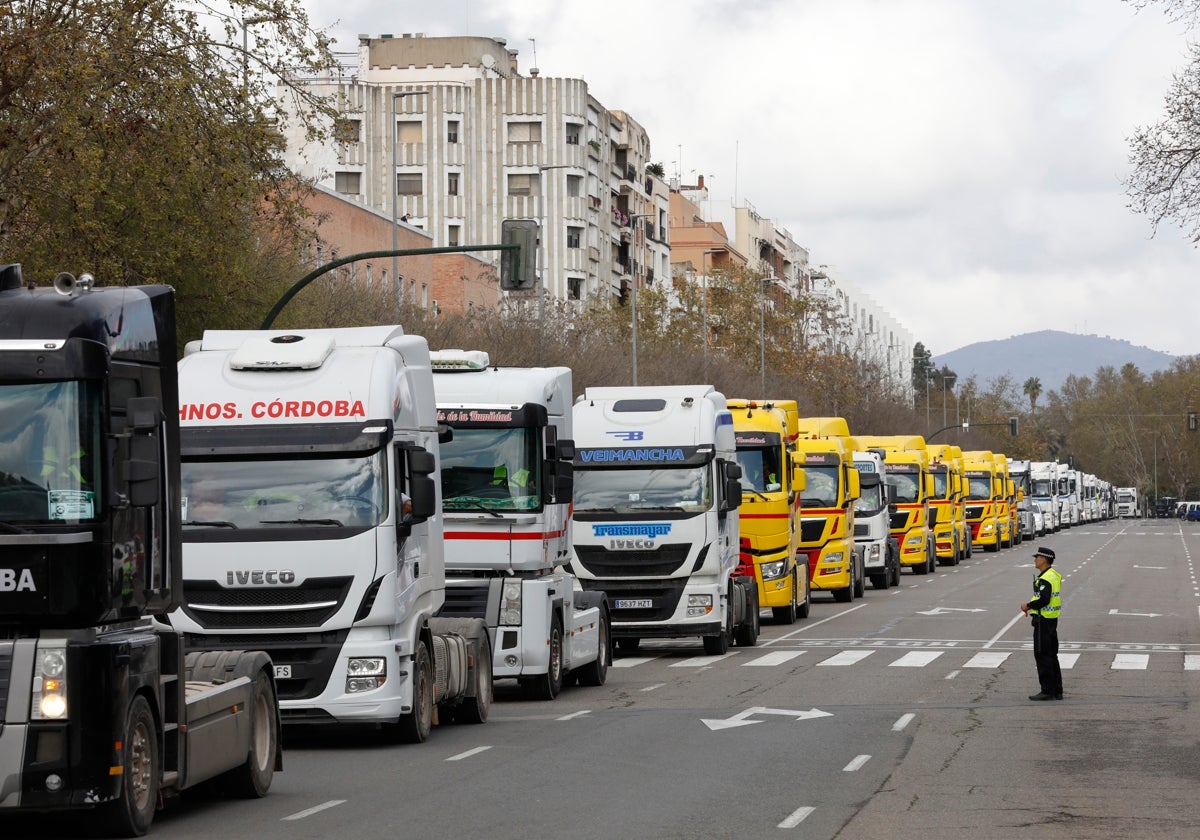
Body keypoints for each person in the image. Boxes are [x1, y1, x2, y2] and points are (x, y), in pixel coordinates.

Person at [1021, 546, 1063, 701]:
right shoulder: (1053, 575)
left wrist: (1028, 605)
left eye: (1037, 557)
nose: (1035, 560)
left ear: (1044, 559)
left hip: (1043, 621)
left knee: (1042, 655)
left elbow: (1044, 599)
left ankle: (1047, 690)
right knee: (1052, 655)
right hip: (1052, 619)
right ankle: (1057, 690)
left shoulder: (1046, 578)